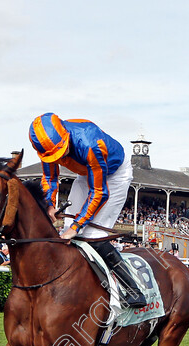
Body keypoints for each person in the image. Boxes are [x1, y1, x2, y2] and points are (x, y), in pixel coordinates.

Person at [29, 112, 146, 307]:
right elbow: (50, 179)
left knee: (91, 234)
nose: (61, 157)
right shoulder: (47, 146)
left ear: (65, 136)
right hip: (87, 172)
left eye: (62, 151)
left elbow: (99, 192)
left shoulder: (90, 144)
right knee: (67, 234)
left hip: (114, 174)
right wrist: (48, 205)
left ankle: (132, 289)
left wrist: (75, 227)